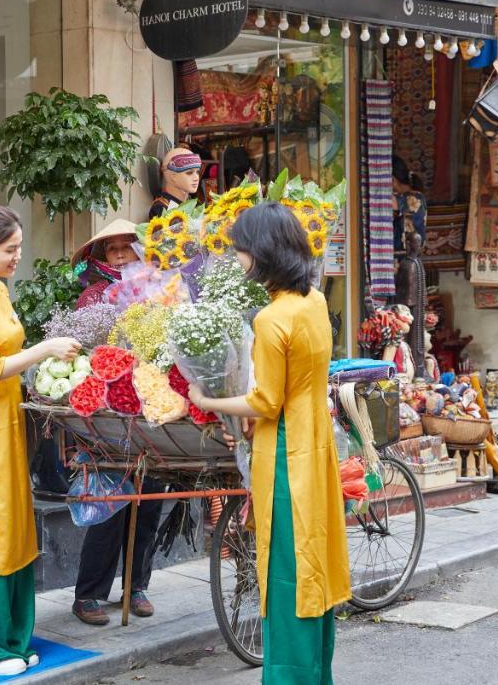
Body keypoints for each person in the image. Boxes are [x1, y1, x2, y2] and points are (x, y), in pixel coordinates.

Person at [189, 202, 350, 684]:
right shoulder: (315, 302)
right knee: (313, 567)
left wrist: (207, 398)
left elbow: (265, 401)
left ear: (262, 253)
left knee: (285, 575)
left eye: (241, 251)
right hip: (316, 446)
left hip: (285, 455)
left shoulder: (271, 318)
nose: (238, 260)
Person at [0, 205, 81, 676]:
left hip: (9, 419)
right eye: (9, 250)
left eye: (19, 248)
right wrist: (45, 350)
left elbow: (11, 357)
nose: (16, 257)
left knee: (16, 531)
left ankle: (12, 637)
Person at [67, 221, 163, 626]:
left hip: (152, 405)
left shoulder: (160, 291)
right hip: (108, 411)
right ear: (101, 257)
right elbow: (88, 351)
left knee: (149, 502)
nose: (122, 256)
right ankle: (88, 594)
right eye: (114, 250)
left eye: (129, 248)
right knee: (110, 506)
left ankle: (136, 586)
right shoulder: (92, 297)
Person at [149, 148, 202, 220]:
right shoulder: (162, 208)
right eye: (189, 173)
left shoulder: (193, 203)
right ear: (173, 176)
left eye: (197, 172)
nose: (196, 178)